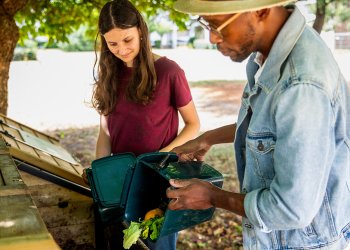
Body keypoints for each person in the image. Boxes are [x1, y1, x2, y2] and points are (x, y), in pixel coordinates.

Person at [166, 0, 350, 249]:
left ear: (261, 10)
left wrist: (212, 196)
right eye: (206, 24)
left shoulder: (302, 85)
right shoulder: (271, 54)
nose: (211, 38)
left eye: (218, 26)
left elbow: (290, 210)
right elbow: (274, 126)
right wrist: (208, 137)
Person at [84, 0, 200, 249]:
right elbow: (105, 132)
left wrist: (157, 157)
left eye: (127, 40)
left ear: (141, 31)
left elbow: (193, 124)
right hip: (121, 182)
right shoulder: (108, 75)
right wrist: (100, 175)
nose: (121, 49)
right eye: (112, 43)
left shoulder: (169, 71)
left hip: (159, 182)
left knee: (156, 245)